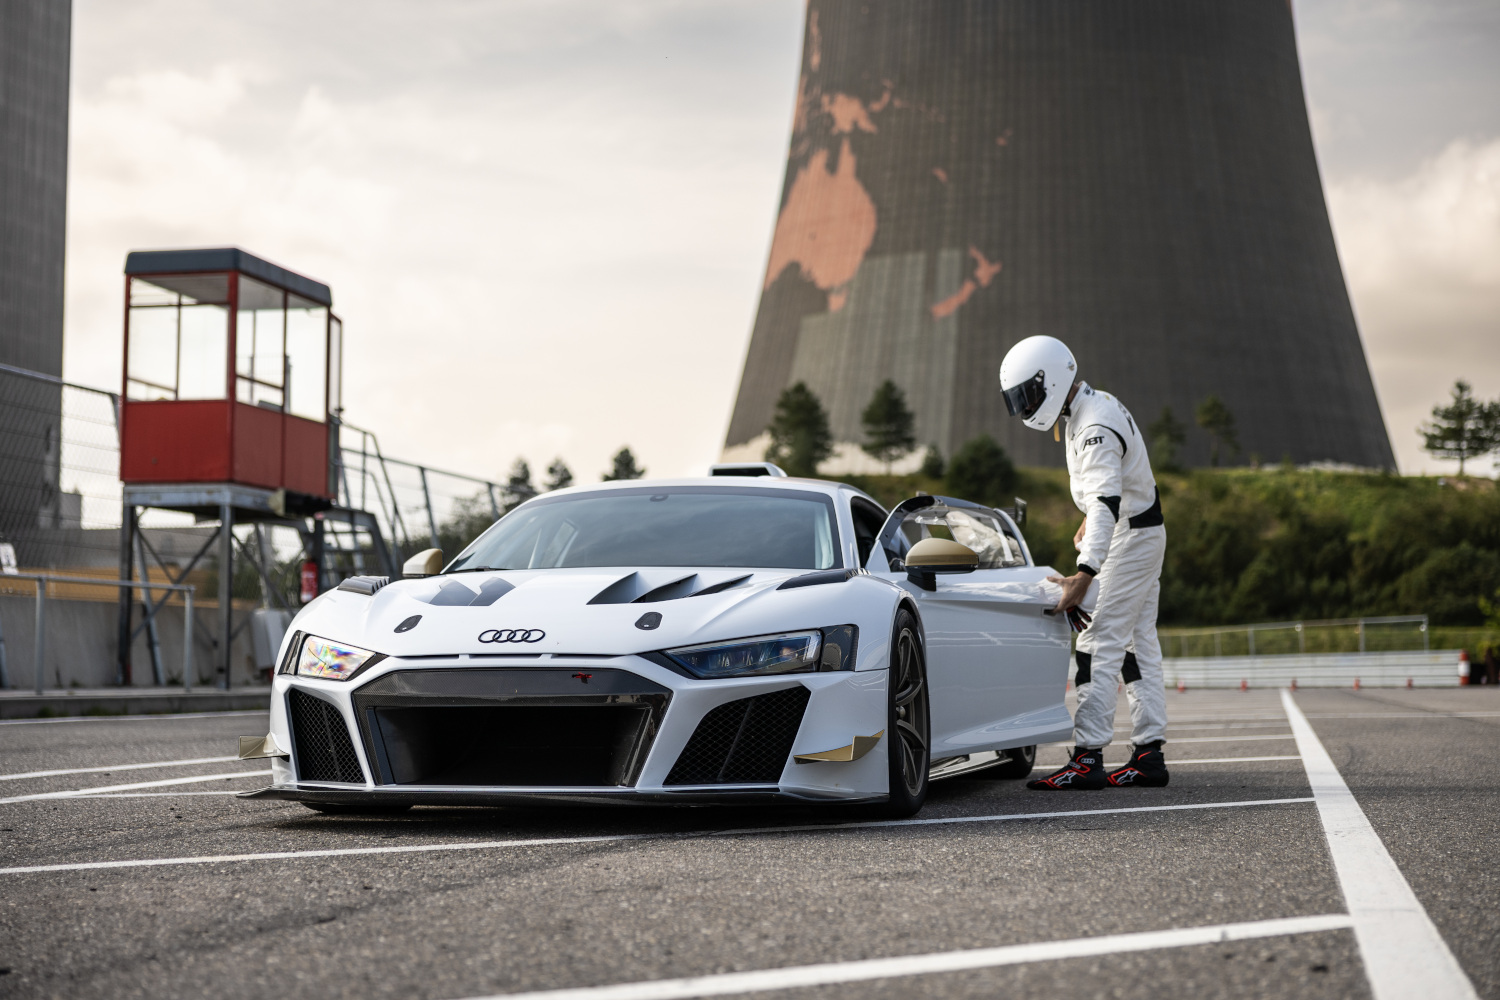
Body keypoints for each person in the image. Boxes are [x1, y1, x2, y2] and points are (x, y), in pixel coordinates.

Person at [997, 335, 1169, 789]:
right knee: (1137, 646)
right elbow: (1111, 489)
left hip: (1131, 537)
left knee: (1097, 642)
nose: (1026, 407)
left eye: (1028, 395)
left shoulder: (1092, 425)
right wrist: (1093, 521)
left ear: (1050, 380)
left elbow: (1106, 498)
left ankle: (1087, 757)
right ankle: (1149, 755)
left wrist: (1084, 572)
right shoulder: (1093, 407)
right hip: (1141, 530)